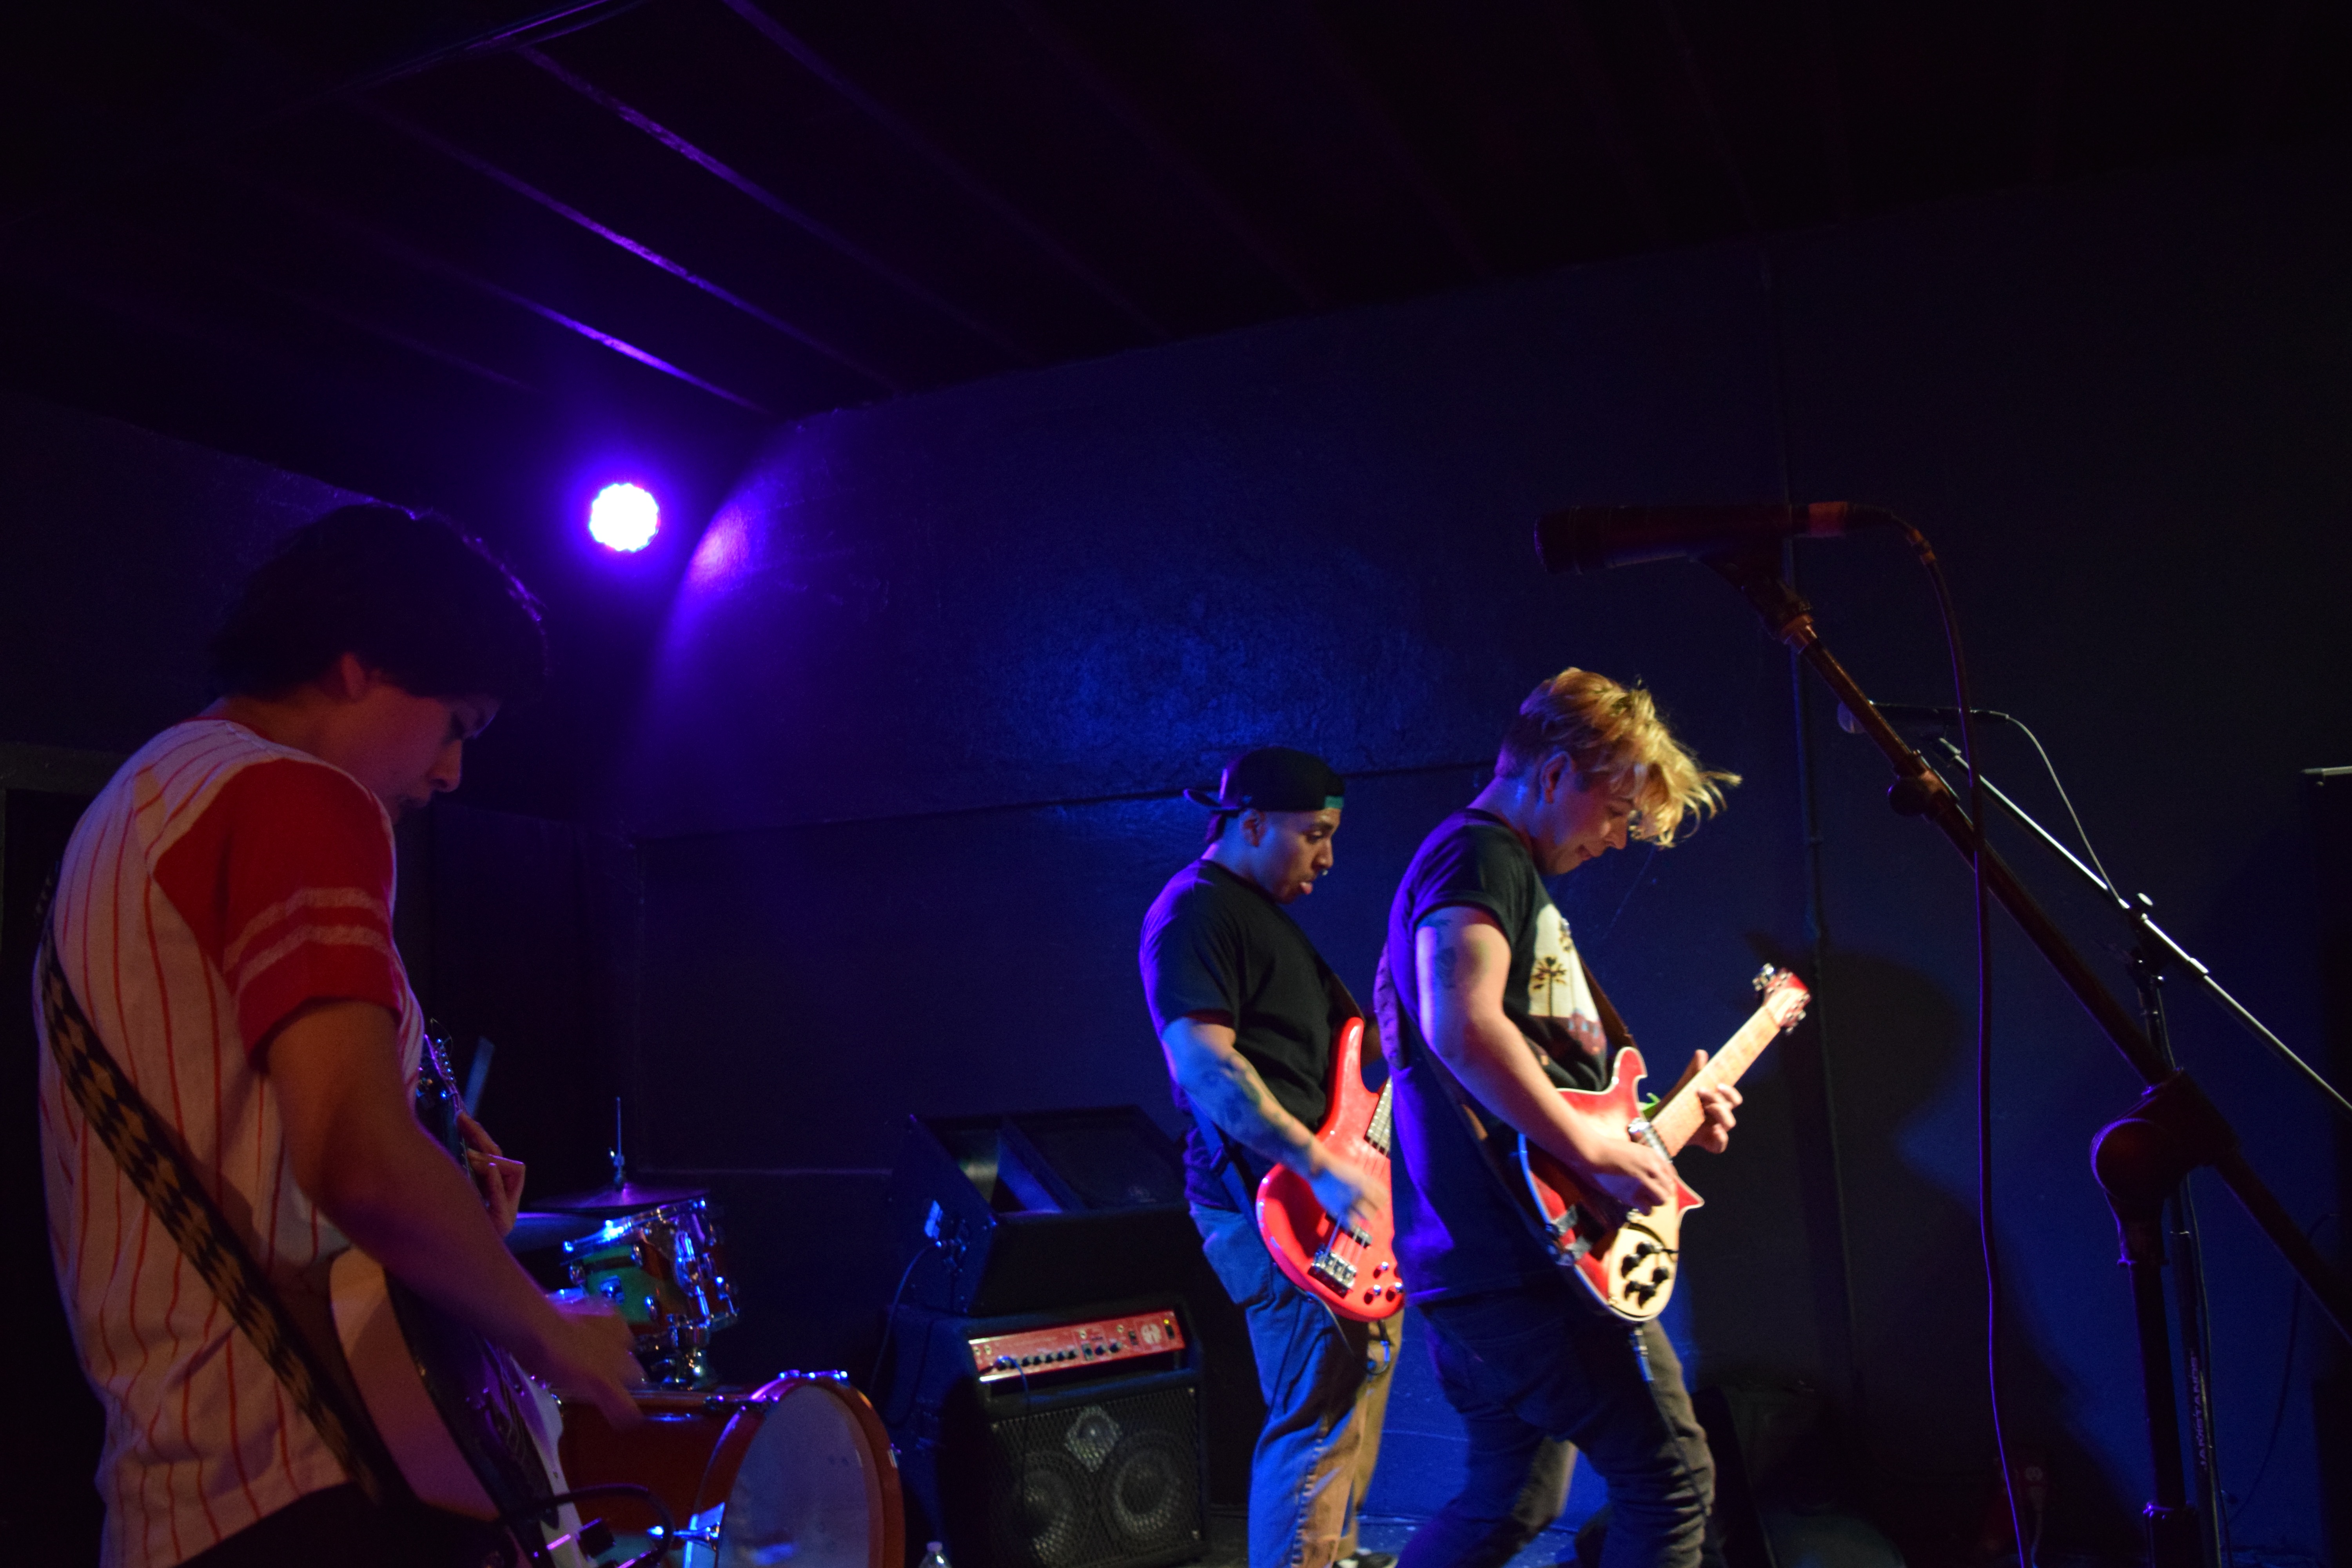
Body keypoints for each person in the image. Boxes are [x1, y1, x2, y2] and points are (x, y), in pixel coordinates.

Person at [34, 504, 642, 1568]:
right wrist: (547, 1328)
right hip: (312, 1485)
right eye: (456, 722)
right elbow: (355, 1156)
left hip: (180, 1501)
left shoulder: (140, 801)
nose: (452, 772)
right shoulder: (297, 796)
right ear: (361, 663)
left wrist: (442, 1188)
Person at [1378, 669, 1742, 1568]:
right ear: (1551, 772)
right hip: (1524, 1266)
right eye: (1615, 810)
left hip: (1477, 1264)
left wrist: (1656, 1124)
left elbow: (1530, 1077)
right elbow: (1462, 1025)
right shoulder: (1479, 857)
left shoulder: (1488, 866)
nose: (1618, 838)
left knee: (1513, 1499)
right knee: (1673, 1482)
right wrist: (1591, 1145)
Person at [1138, 747, 1401, 1568]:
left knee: (1348, 1403)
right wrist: (1317, 1165)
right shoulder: (1196, 913)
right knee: (1315, 1414)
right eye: (1314, 834)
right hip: (1272, 1205)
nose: (1328, 857)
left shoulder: (1264, 920)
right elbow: (1206, 1065)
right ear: (1251, 824)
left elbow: (1331, 1065)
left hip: (1327, 1206)